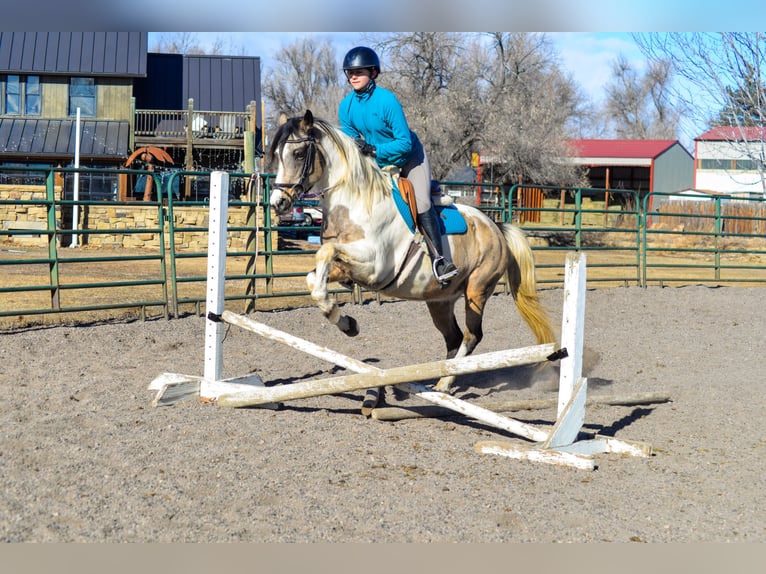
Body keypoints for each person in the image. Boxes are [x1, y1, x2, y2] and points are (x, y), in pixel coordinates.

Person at [338, 46, 459, 284]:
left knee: (422, 202)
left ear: (373, 72)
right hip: (377, 163)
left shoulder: (386, 100)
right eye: (350, 71)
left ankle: (440, 261)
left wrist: (375, 150)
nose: (353, 75)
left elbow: (403, 143)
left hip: (410, 158)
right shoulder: (346, 106)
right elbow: (354, 145)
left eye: (359, 71)